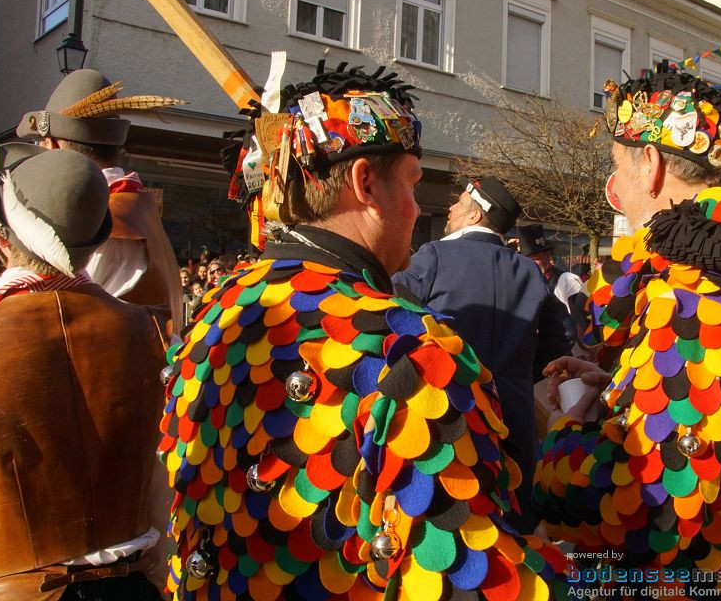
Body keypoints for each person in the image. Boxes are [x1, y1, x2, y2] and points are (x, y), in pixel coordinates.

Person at [159, 62, 568, 599]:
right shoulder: (408, 347)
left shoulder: (215, 310)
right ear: (366, 184)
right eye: (413, 184)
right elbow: (474, 581)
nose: (418, 209)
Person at [534, 67, 721, 599]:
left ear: (648, 165)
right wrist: (623, 384)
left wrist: (562, 433)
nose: (615, 188)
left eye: (614, 167)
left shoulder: (689, 296)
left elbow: (652, 505)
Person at [0, 143, 167, 599]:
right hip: (132, 585)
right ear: (96, 244)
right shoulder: (148, 329)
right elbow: (158, 481)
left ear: (4, 238)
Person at [393, 178, 572, 533]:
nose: (451, 208)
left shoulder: (434, 255)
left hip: (448, 409)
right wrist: (522, 369)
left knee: (447, 519)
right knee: (516, 517)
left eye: (458, 203)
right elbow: (562, 336)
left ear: (475, 213)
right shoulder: (528, 270)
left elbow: (395, 313)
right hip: (515, 411)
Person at [17, 68, 185, 331]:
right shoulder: (133, 207)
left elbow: (55, 324)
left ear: (53, 146)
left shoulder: (100, 217)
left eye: (40, 145)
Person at [517, 223, 589, 341]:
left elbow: (580, 324)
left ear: (547, 256)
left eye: (535, 259)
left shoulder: (567, 280)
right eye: (527, 260)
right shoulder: (523, 284)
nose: (531, 264)